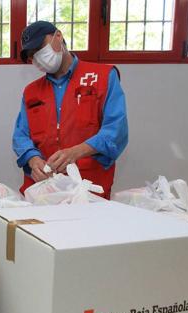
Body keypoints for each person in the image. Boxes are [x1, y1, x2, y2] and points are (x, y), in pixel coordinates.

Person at [12, 21, 128, 199]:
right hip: (43, 192)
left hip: (89, 190)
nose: (38, 58)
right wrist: (32, 159)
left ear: (58, 36)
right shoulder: (31, 92)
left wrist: (76, 152)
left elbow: (116, 131)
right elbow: (20, 136)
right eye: (32, 56)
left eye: (40, 49)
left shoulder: (103, 77)